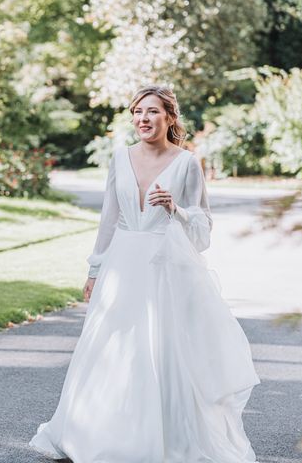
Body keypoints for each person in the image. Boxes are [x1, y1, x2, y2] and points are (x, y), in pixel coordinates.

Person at [29, 85, 260, 462]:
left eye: (152, 112)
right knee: (111, 347)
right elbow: (108, 219)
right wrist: (94, 269)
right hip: (121, 264)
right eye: (137, 112)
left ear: (170, 118)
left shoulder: (186, 164)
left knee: (160, 350)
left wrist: (176, 210)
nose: (143, 119)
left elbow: (202, 232)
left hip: (164, 268)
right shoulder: (120, 158)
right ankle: (96, 433)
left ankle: (165, 439)